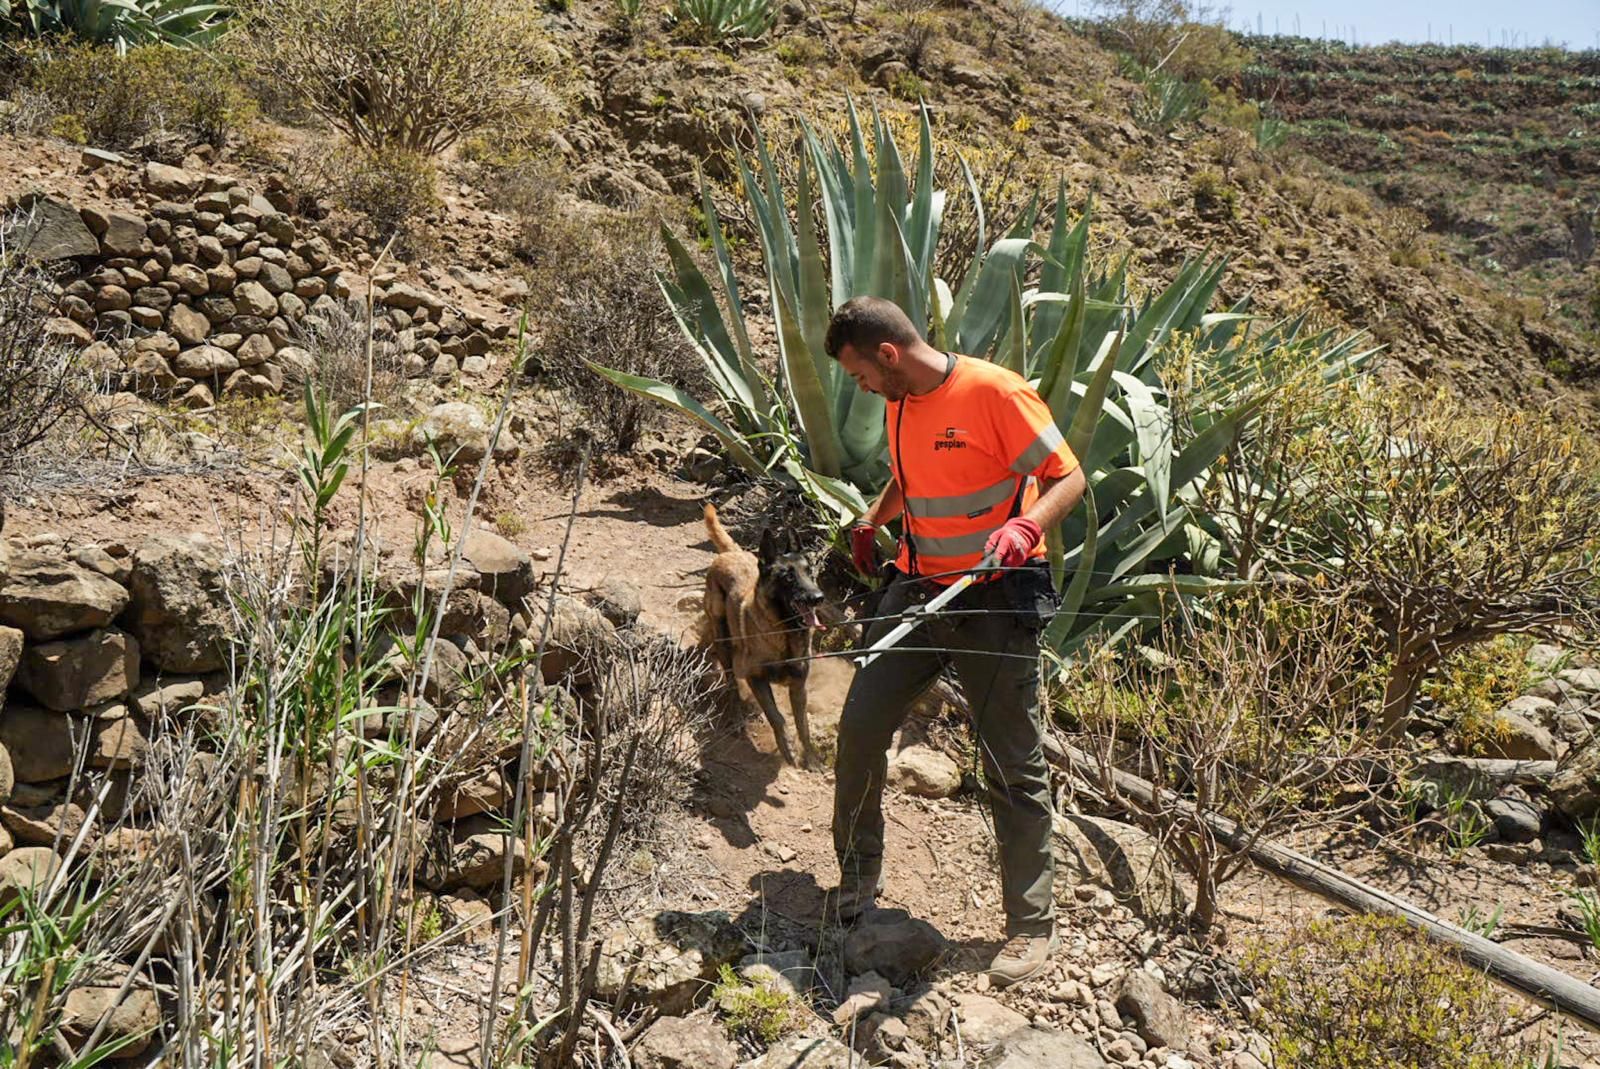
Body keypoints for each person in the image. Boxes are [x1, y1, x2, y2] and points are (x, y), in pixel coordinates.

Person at [824, 295, 1086, 988]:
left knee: (1012, 761)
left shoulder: (996, 391)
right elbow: (915, 480)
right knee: (858, 728)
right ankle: (856, 882)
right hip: (916, 593)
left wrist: (1025, 528)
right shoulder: (901, 397)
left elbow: (1069, 475)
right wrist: (873, 517)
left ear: (888, 354)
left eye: (860, 375)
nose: (863, 389)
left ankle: (1031, 926)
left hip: (995, 598)